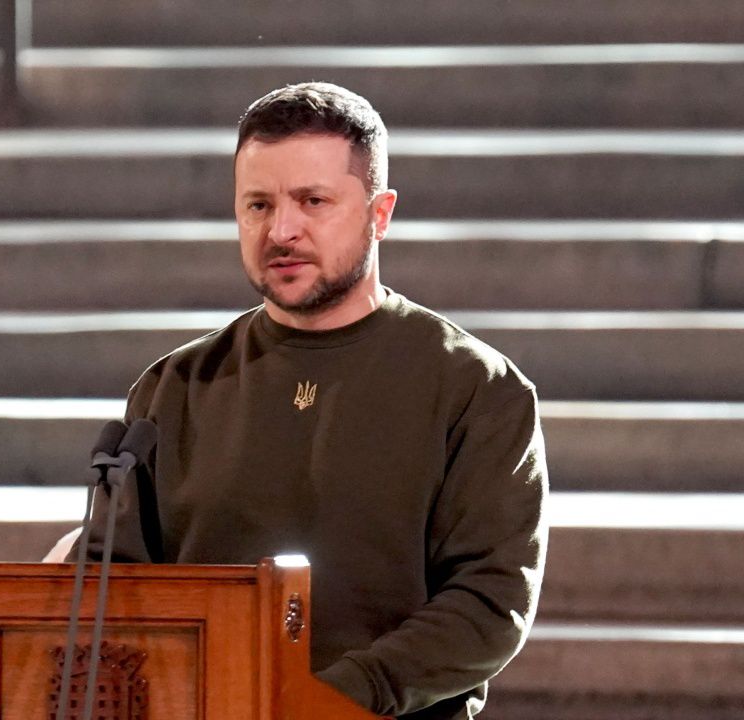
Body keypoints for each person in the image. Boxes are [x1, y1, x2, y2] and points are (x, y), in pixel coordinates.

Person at [54, 82, 548, 719]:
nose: (281, 230)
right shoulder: (174, 387)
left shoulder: (477, 388)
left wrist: (328, 700)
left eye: (313, 201)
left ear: (380, 214)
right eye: (258, 205)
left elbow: (489, 604)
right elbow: (113, 581)